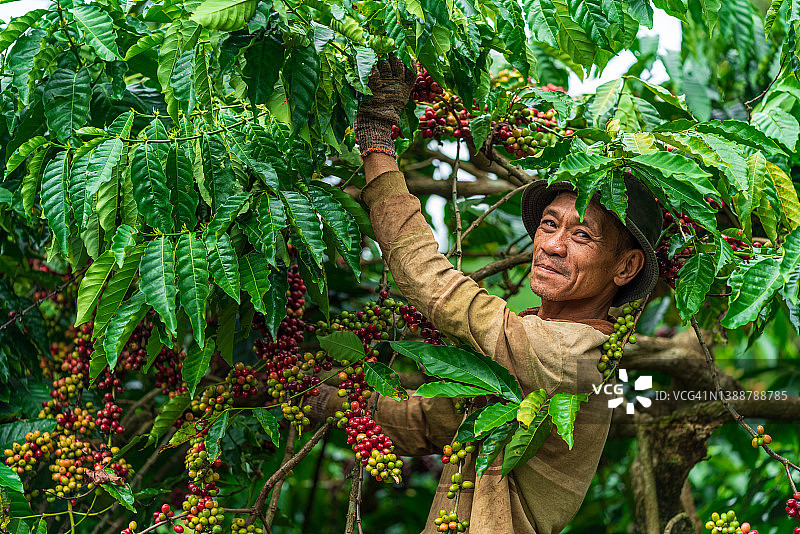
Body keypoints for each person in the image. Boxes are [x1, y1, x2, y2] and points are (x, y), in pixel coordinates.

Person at [311, 56, 662, 534]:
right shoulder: (529, 355)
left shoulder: (572, 356)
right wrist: (313, 395)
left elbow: (437, 287)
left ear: (625, 267)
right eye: (549, 224)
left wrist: (376, 141)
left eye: (582, 237)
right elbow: (416, 423)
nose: (553, 245)